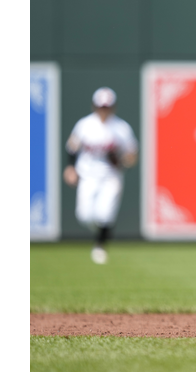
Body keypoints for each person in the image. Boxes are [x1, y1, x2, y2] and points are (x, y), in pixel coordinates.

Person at [63, 87, 138, 265]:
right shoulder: (85, 125)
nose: (104, 110)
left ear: (113, 107)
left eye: (107, 106)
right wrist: (70, 168)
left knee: (105, 214)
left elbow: (132, 155)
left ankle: (100, 246)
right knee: (84, 215)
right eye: (101, 106)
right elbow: (72, 147)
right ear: (94, 106)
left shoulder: (121, 128)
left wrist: (122, 161)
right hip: (88, 175)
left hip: (111, 177)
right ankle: (103, 232)